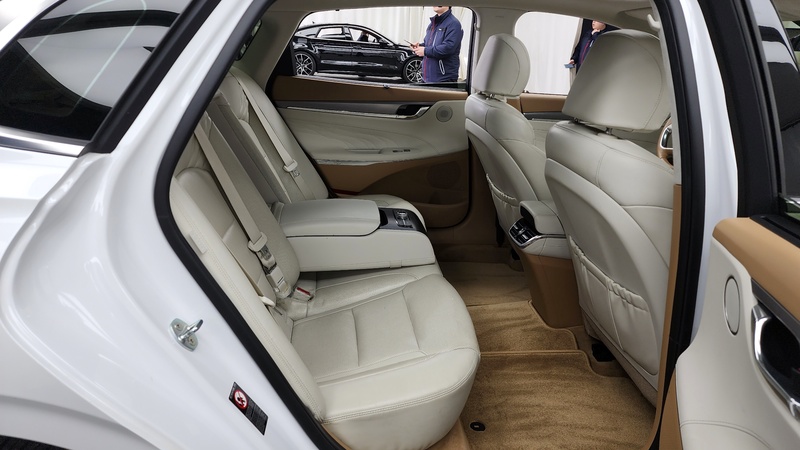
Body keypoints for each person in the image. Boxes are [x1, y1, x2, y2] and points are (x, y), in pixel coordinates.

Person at [411, 6, 463, 83]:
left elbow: (448, 48)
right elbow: (429, 45)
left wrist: (425, 51)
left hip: (443, 79)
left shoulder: (454, 24)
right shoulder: (432, 24)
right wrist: (419, 47)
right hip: (427, 78)